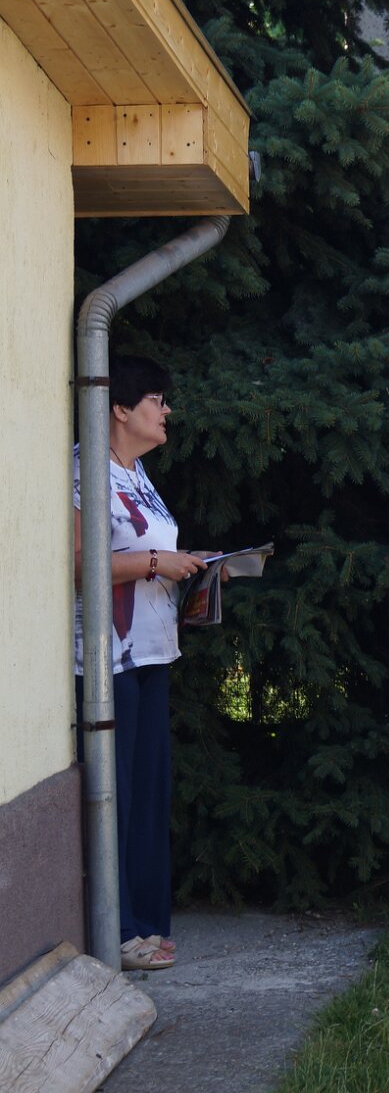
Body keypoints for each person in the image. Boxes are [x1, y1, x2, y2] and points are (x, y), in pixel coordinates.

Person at [72, 354, 213, 972]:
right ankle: (121, 932)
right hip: (109, 658)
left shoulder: (135, 471)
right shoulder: (85, 468)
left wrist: (196, 566)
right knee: (120, 795)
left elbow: (147, 549)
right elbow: (81, 564)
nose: (167, 410)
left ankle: (148, 924)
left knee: (150, 791)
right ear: (121, 408)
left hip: (153, 651)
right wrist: (160, 564)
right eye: (158, 399)